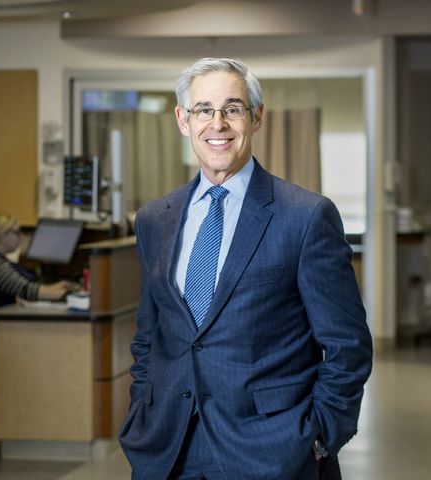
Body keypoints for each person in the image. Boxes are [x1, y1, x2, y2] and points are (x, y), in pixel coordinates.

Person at [118, 58, 373, 480]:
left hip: (273, 452)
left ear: (256, 118)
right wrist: (140, 414)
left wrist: (319, 437)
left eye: (233, 109)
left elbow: (349, 346)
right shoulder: (154, 219)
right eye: (203, 110)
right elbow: (150, 336)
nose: (217, 124)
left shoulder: (305, 217)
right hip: (168, 449)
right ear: (183, 120)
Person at [0, 212, 76, 308]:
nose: (21, 237)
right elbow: (25, 290)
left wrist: (57, 287)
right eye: (17, 232)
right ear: (1, 234)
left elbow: (26, 287)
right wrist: (69, 295)